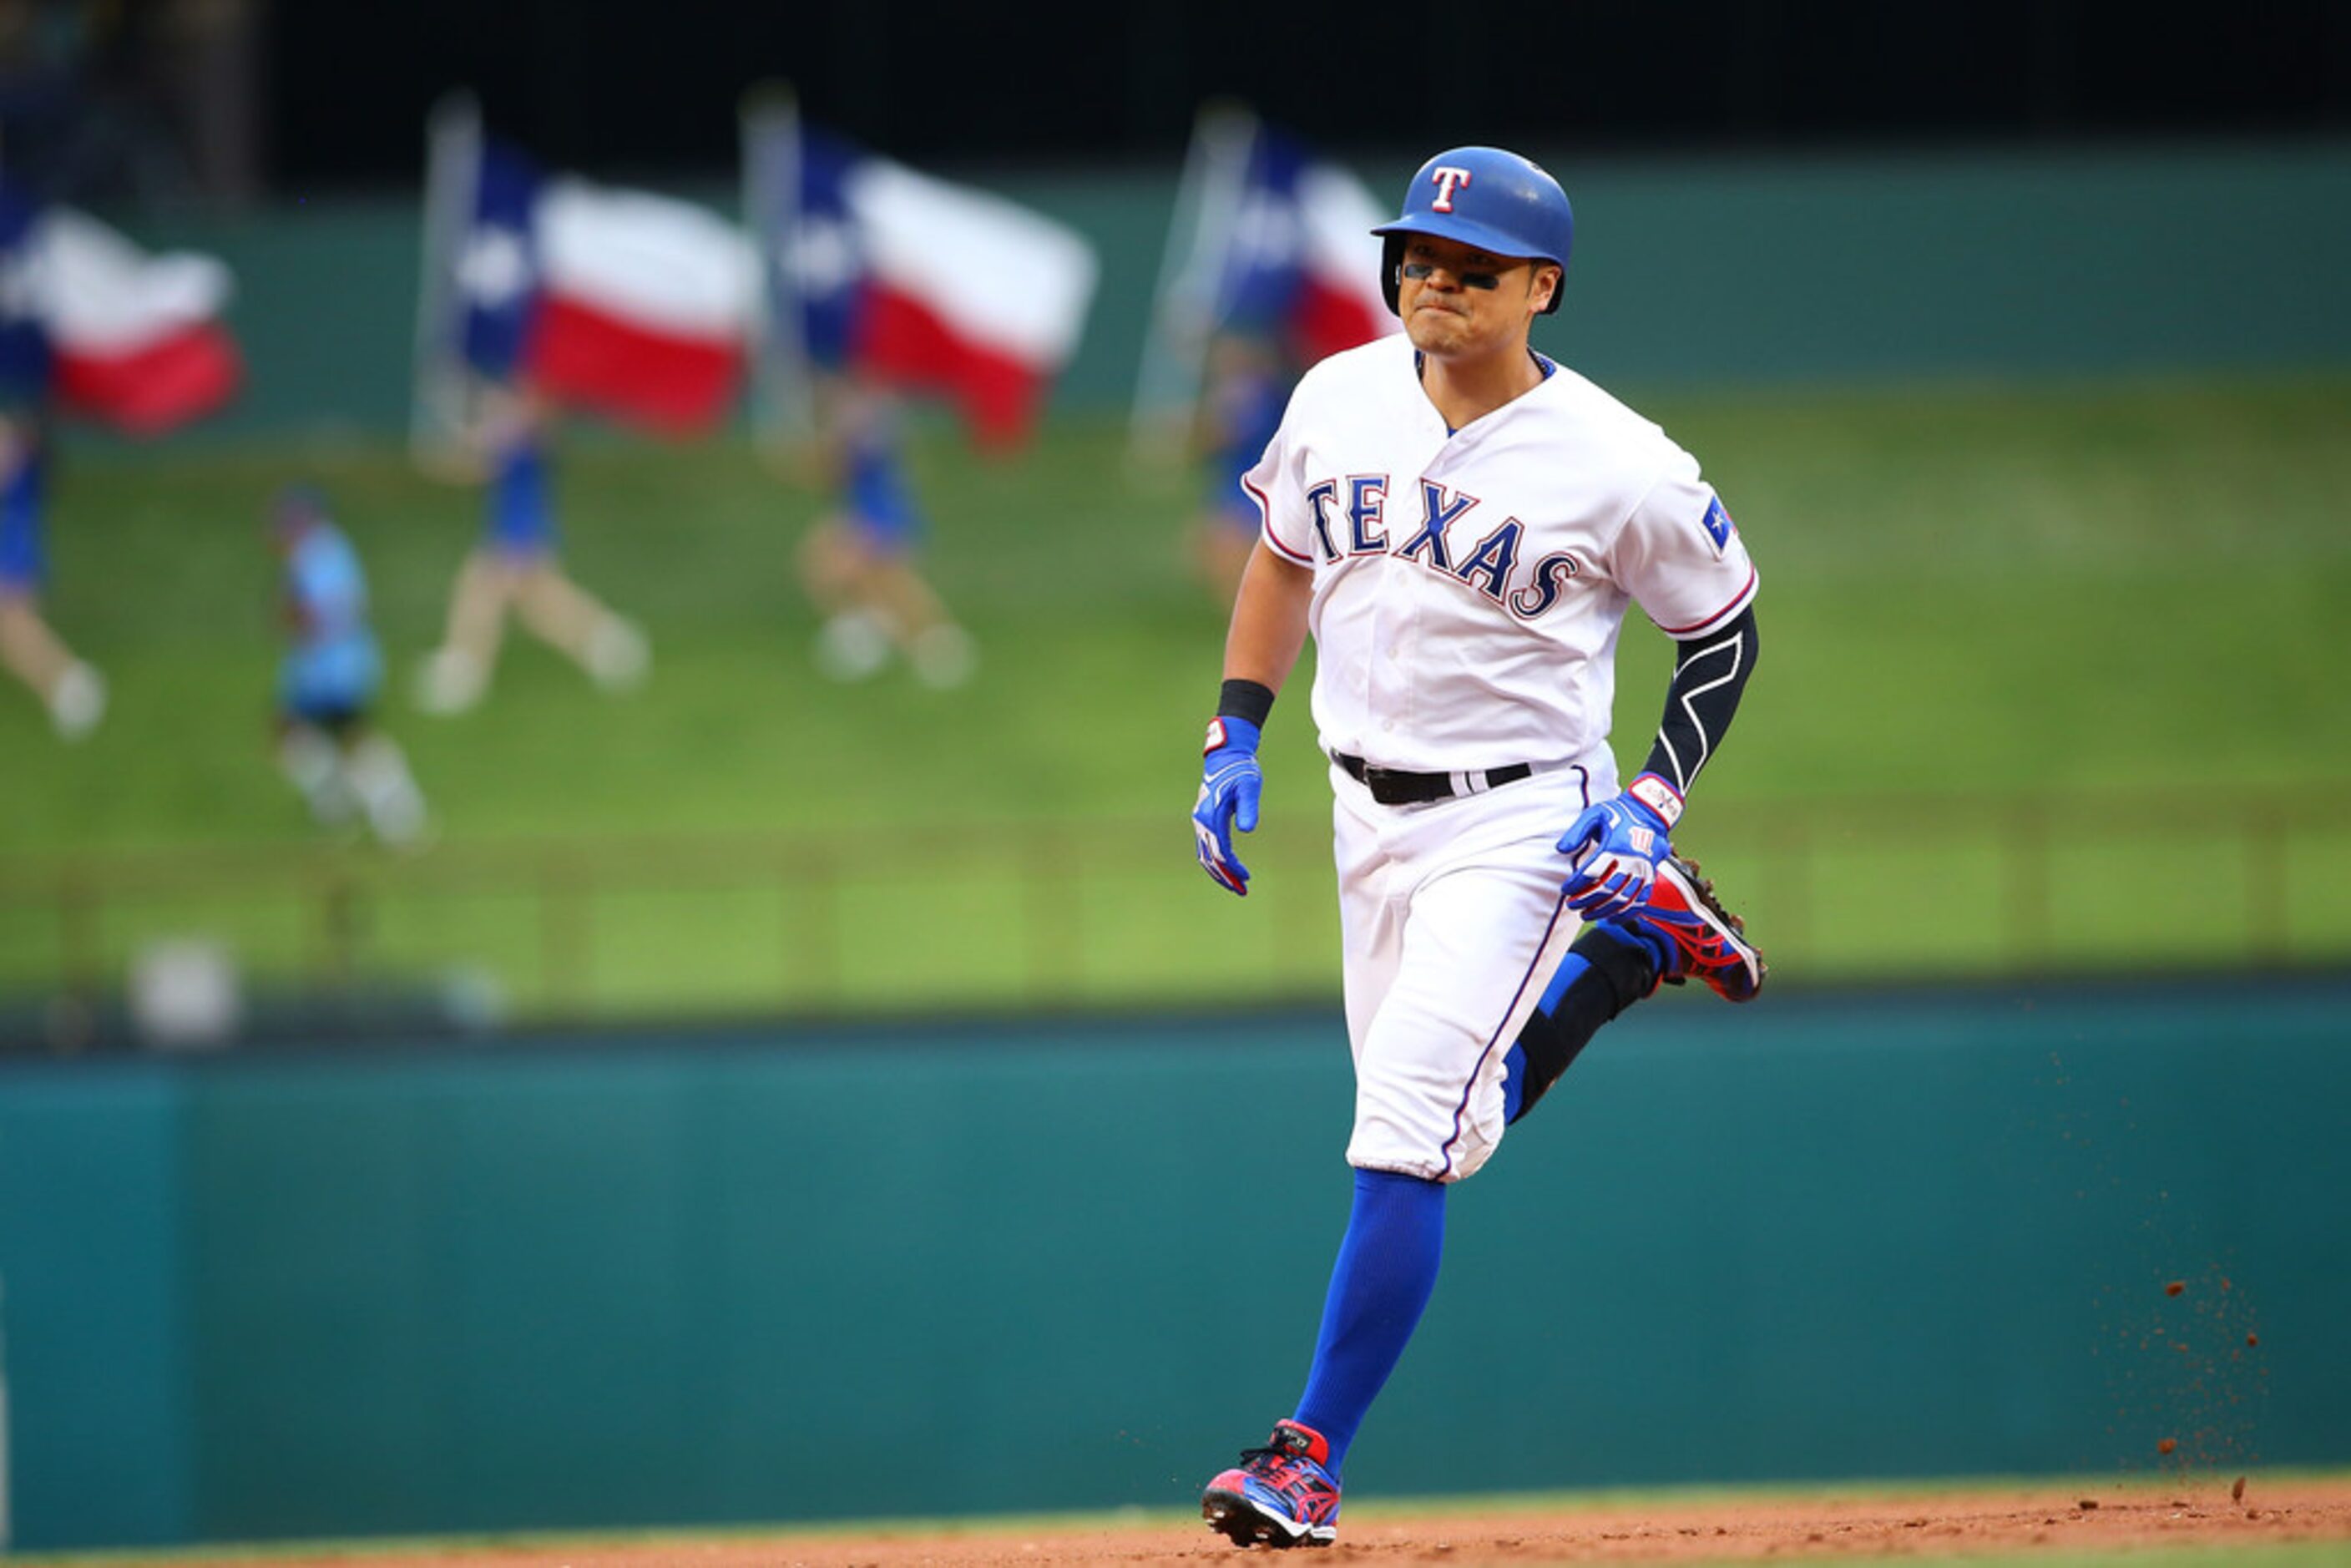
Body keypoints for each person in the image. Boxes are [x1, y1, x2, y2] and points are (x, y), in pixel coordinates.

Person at [1188, 147, 1767, 1550]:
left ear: (1541, 288)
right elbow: (1280, 556)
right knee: (1447, 1130)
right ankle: (1627, 953)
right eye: (1418, 255)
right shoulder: (1336, 393)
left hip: (1520, 820)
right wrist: (1232, 733)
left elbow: (1725, 626)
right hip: (1357, 808)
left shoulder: (1620, 461)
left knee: (1400, 1129)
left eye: (1472, 265)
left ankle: (1306, 1456)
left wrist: (1651, 800)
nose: (1433, 280)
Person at [413, 382, 650, 715]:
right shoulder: (521, 432)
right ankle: (608, 644)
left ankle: (463, 673)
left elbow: (475, 460)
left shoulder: (525, 436)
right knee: (540, 608)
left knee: (480, 594)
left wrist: (446, 441)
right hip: (516, 532)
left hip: (519, 535)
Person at [796, 371, 976, 688]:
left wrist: (797, 460)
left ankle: (927, 643)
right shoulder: (870, 423)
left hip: (879, 517)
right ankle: (898, 639)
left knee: (877, 581)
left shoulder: (863, 428)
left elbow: (833, 469)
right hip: (873, 515)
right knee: (872, 582)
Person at [271, 484, 428, 847]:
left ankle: (395, 808)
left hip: (336, 671)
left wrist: (291, 615)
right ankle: (344, 802)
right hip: (326, 669)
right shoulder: (322, 551)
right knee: (294, 733)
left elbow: (331, 611)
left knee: (352, 740)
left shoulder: (319, 555)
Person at [0, 411, 105, 739]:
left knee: (12, 620)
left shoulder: (12, 441)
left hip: (9, 541)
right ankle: (65, 685)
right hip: (14, 537)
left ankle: (69, 683)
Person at [1187, 330, 1293, 602]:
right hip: (1237, 487)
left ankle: (1247, 611)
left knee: (1230, 552)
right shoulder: (1242, 392)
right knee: (1211, 549)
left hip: (1255, 490)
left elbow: (1223, 435)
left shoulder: (1257, 395)